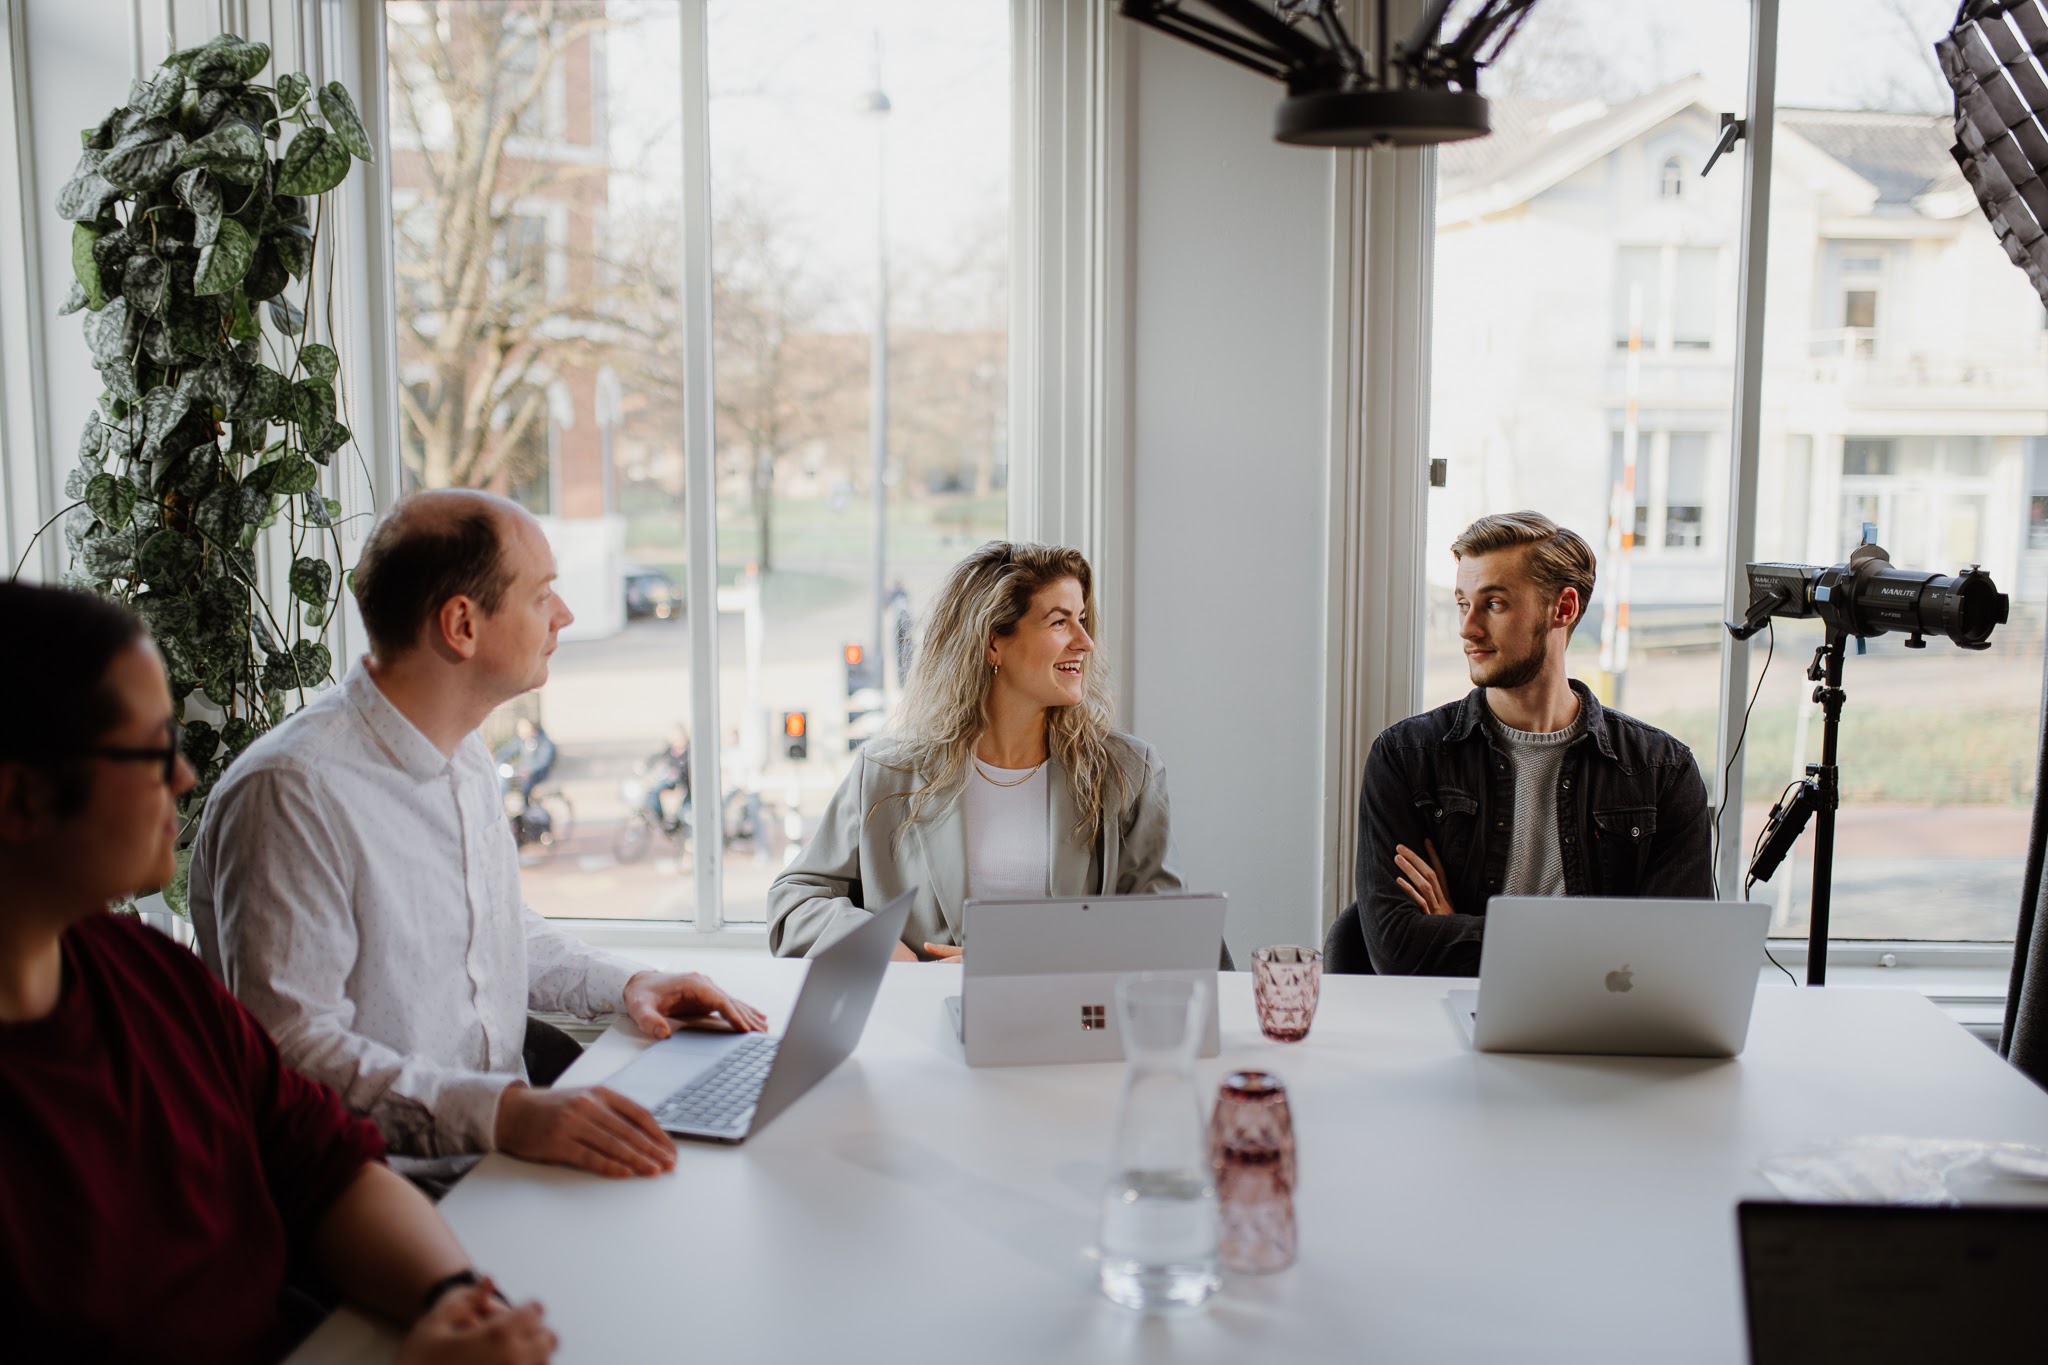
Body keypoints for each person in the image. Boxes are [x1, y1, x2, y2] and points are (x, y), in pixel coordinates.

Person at [0, 581, 555, 1363]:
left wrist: (453, 1298)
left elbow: (324, 1166)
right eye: (154, 748)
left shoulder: (150, 973)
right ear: (20, 797)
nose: (185, 777)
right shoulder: (292, 787)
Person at [191, 490, 767, 1190]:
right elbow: (291, 1050)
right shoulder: (291, 794)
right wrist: (505, 1115)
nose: (566, 615)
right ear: (462, 624)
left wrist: (629, 982)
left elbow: (496, 932)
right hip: (381, 1193)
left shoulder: (460, 750)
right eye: (542, 595)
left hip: (493, 1159)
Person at [768, 541, 1184, 960]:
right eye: (1060, 623)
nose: (1085, 642)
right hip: (923, 1020)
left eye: (1081, 620)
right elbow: (794, 903)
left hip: (1073, 1023)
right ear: (992, 644)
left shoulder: (1128, 772)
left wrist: (1011, 966)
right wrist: (880, 945)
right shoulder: (886, 774)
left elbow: (1166, 934)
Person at [1357, 511, 1712, 976]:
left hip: (1600, 1035)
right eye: (1464, 604)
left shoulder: (1662, 771)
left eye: (1495, 604)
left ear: (1562, 609)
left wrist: (1460, 928)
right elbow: (1399, 949)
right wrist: (1600, 945)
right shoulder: (1406, 758)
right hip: (1446, 1025)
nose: (1468, 628)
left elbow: (1676, 955)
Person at [493, 716, 556, 807]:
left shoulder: (544, 742)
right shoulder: (521, 740)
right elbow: (507, 751)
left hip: (538, 773)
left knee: (526, 787)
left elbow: (543, 761)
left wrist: (529, 770)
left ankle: (527, 810)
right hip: (523, 771)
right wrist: (495, 757)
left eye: (523, 727)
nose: (520, 731)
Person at [641, 723, 690, 829]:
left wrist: (677, 772)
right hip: (671, 780)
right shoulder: (670, 750)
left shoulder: (689, 751)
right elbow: (658, 758)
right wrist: (646, 765)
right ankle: (654, 812)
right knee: (654, 787)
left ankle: (669, 819)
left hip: (685, 782)